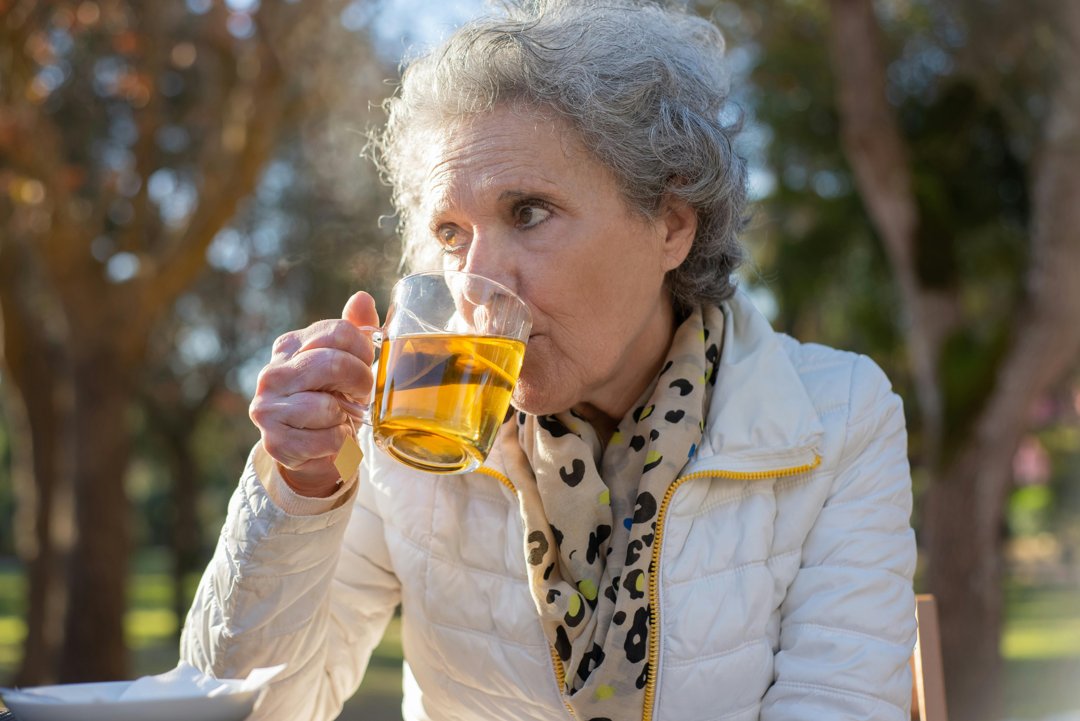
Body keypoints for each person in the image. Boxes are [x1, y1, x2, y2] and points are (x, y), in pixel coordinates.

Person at [180, 1, 918, 719]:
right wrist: (299, 493)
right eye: (451, 231)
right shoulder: (405, 428)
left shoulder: (840, 415)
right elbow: (248, 709)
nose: (478, 279)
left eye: (528, 212)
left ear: (671, 224)